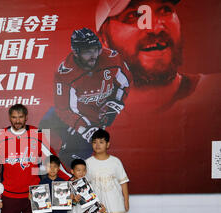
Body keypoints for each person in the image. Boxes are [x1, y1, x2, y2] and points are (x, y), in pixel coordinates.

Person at [95, 0, 221, 193]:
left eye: (165, 10)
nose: (155, 27)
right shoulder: (83, 119)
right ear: (103, 38)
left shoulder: (215, 94)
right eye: (134, 16)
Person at [39, 27, 131, 162]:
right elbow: (64, 109)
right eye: (88, 51)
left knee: (70, 162)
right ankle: (39, 173)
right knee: (43, 128)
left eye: (96, 49)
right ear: (76, 52)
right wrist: (85, 128)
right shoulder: (65, 72)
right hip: (69, 115)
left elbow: (125, 83)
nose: (94, 55)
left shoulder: (112, 58)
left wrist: (114, 105)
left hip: (95, 120)